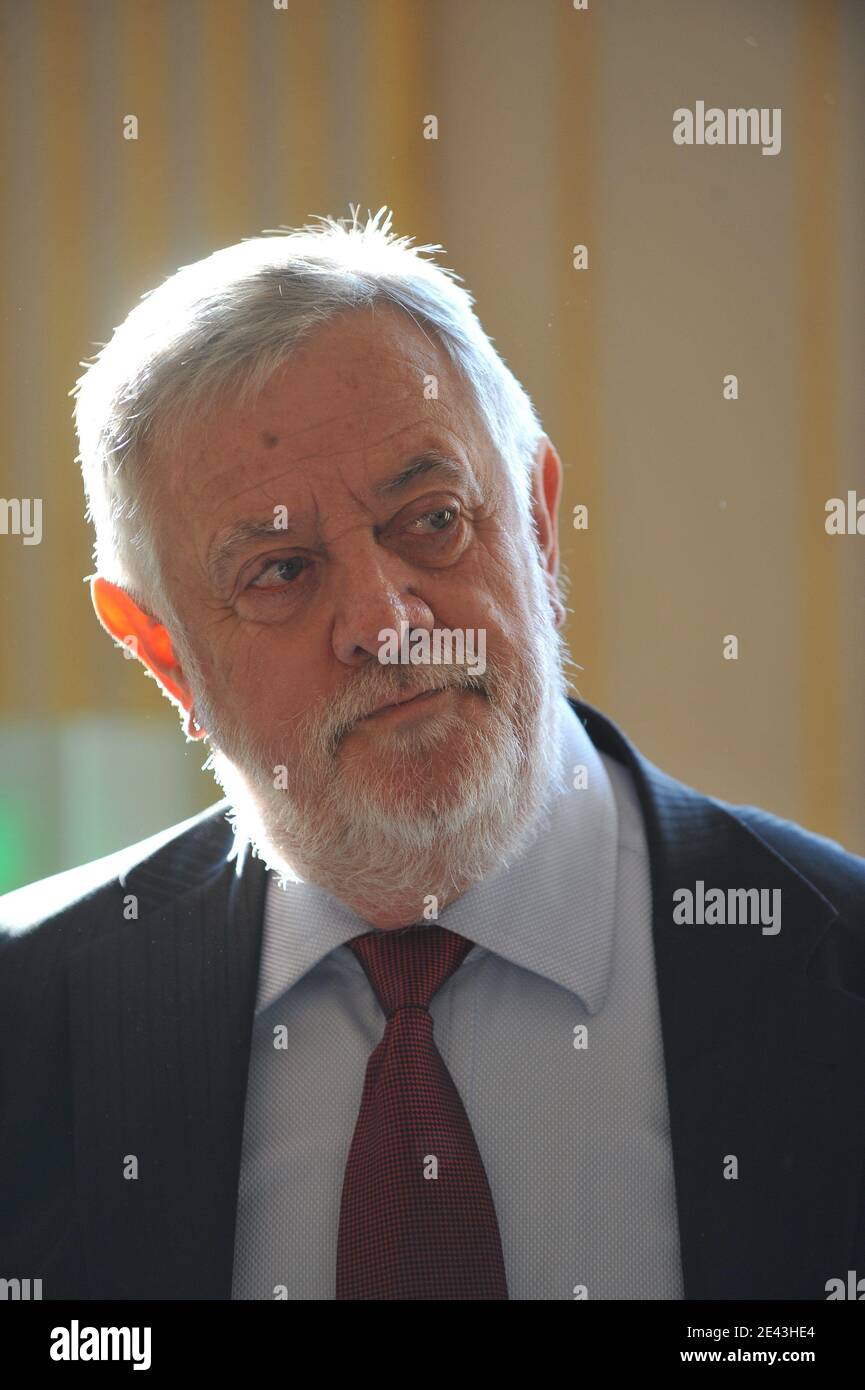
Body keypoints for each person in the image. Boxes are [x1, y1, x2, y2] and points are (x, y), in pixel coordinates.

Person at [2, 209, 864, 1302]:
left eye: (433, 518)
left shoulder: (836, 968)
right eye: (280, 571)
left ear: (539, 529)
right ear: (166, 656)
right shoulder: (25, 1024)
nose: (388, 622)